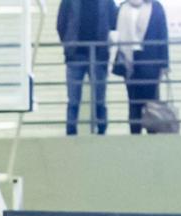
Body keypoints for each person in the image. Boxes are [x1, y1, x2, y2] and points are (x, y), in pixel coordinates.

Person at [58, 0, 120, 135]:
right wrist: (68, 44)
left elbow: (114, 22)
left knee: (100, 98)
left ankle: (102, 130)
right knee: (73, 98)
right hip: (75, 55)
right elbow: (61, 24)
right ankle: (71, 131)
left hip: (99, 55)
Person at [113, 0, 170, 134]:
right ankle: (135, 136)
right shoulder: (122, 8)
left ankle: (152, 136)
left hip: (151, 60)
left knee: (151, 103)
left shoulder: (155, 7)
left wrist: (164, 64)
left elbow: (163, 34)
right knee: (133, 102)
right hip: (130, 61)